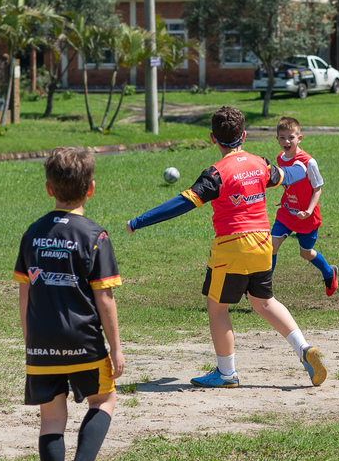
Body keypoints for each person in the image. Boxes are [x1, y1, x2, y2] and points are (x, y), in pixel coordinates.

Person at [127, 106, 327, 389]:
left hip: (231, 246)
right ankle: (304, 348)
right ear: (243, 135)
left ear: (213, 139)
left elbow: (182, 204)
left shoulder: (216, 173)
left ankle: (226, 373)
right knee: (265, 302)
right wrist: (302, 166)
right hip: (262, 243)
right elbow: (288, 176)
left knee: (217, 307)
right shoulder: (260, 163)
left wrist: (139, 221)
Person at [13, 147, 123, 461]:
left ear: (48, 188)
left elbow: (25, 292)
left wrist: (32, 341)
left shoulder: (32, 233)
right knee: (104, 400)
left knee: (51, 420)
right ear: (91, 189)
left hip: (40, 342)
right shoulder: (95, 236)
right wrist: (117, 347)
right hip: (84, 341)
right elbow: (104, 298)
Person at [271, 117, 337, 297]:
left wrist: (308, 210)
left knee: (306, 253)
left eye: (291, 137)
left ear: (299, 138)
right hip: (287, 213)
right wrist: (286, 198)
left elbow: (317, 189)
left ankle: (329, 273)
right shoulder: (280, 159)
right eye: (282, 137)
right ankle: (263, 289)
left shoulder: (309, 162)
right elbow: (289, 183)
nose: (286, 141)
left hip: (307, 216)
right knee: (271, 247)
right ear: (277, 139)